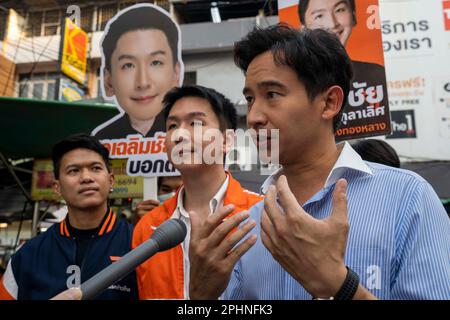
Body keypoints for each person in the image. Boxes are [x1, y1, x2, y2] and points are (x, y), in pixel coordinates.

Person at [187, 25, 450, 300]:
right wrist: (200, 296)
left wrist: (341, 286)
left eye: (272, 95)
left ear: (329, 102)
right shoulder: (251, 227)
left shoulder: (407, 199)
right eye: (250, 98)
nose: (253, 116)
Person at [132, 85, 263, 299]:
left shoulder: (263, 214)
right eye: (172, 126)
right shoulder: (147, 227)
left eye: (196, 123)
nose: (179, 135)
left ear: (227, 140)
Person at [0, 134, 138, 300]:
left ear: (111, 180)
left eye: (95, 168)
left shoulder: (138, 244)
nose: (86, 177)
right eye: (74, 170)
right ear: (57, 187)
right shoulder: (27, 255)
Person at [92, 4, 182, 139]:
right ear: (108, 80)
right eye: (128, 65)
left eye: (156, 62)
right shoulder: (102, 140)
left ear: (176, 73)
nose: (143, 82)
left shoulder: (190, 136)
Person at [298, 0, 388, 127]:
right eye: (319, 16)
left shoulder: (375, 74)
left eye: (339, 10)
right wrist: (271, 147)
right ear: (303, 28)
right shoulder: (294, 80)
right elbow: (268, 136)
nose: (332, 23)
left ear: (354, 15)